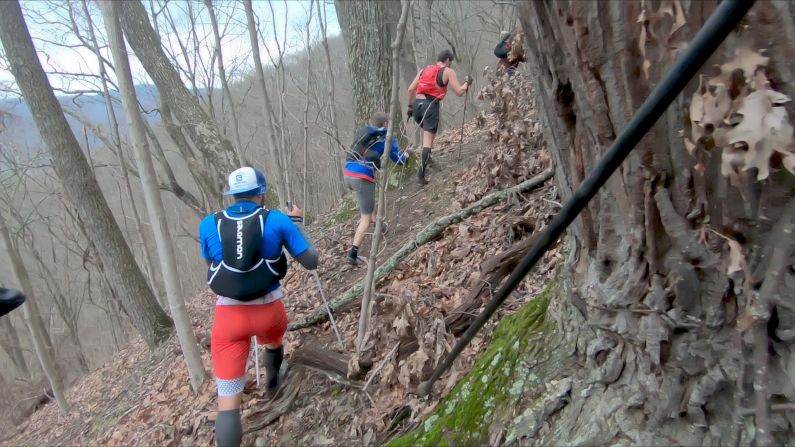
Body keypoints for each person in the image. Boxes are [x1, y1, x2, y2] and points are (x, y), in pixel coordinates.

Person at [199, 167, 318, 447]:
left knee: (228, 403)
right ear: (262, 193)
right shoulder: (276, 219)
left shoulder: (208, 224)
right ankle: (273, 383)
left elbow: (211, 263)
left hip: (228, 320)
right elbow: (311, 261)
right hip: (269, 312)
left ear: (232, 195)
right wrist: (298, 222)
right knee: (274, 340)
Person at [343, 112, 410, 265]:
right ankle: (353, 254)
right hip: (362, 176)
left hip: (348, 173)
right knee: (365, 218)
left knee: (368, 205)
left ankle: (380, 225)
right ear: (386, 124)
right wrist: (408, 154)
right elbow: (400, 160)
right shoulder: (387, 139)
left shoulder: (365, 133)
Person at [407, 49, 472, 185]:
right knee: (427, 142)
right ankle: (421, 175)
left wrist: (410, 107)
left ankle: (427, 157)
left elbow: (410, 89)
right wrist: (467, 83)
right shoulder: (448, 71)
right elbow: (459, 92)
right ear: (448, 60)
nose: (451, 64)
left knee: (427, 135)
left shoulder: (424, 69)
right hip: (430, 106)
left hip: (417, 105)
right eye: (451, 62)